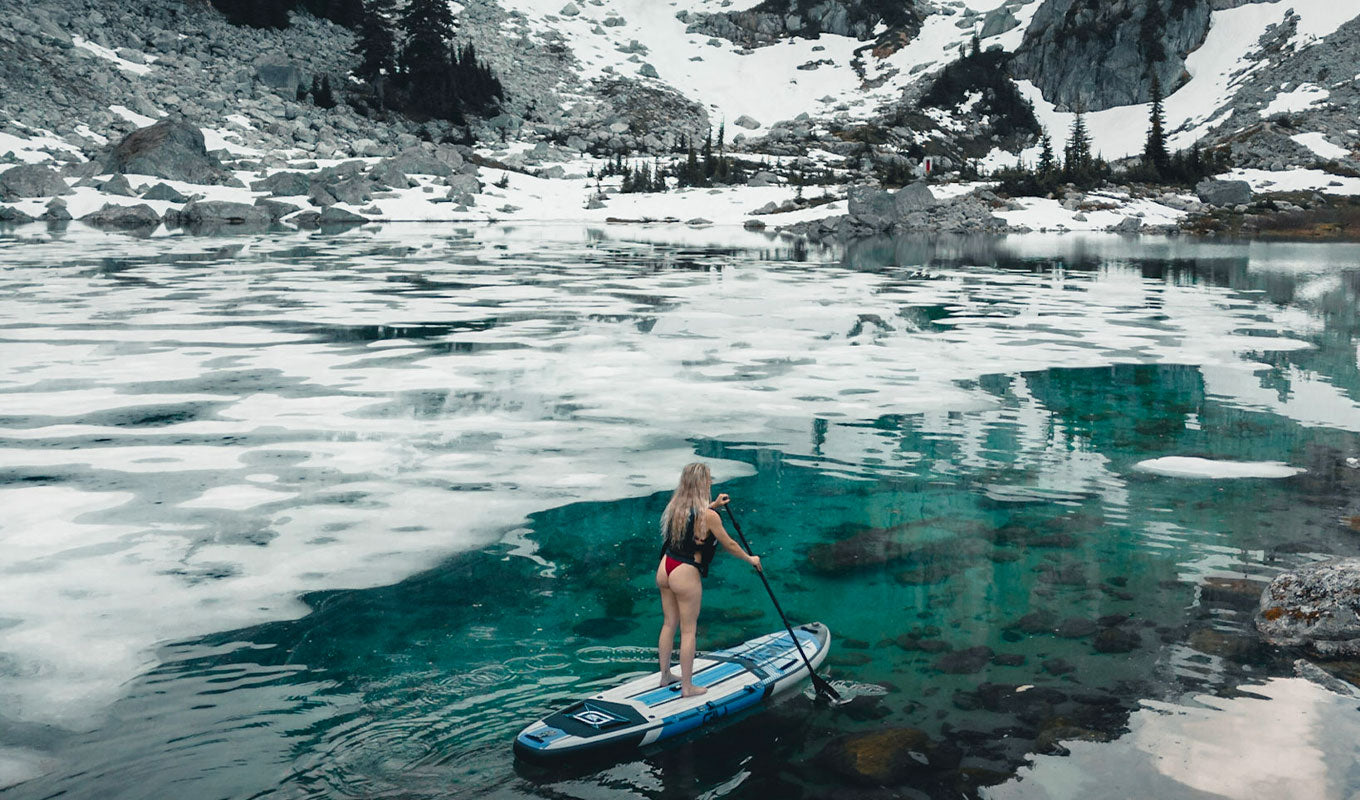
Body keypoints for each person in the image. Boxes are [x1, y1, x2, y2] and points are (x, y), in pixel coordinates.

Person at [655, 462, 761, 697]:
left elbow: (695, 518)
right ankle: (687, 687)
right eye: (708, 479)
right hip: (685, 572)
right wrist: (750, 559)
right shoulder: (709, 516)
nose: (711, 482)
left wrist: (713, 506)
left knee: (669, 623)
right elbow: (729, 544)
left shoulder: (675, 506)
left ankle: (664, 676)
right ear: (701, 484)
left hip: (666, 567)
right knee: (689, 631)